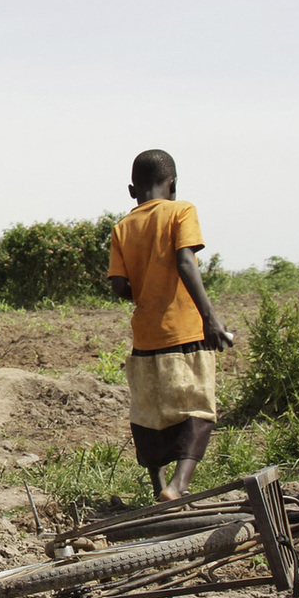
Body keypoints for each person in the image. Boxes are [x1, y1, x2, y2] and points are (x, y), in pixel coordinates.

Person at [107, 149, 233, 501]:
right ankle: (179, 486)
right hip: (184, 330)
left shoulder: (122, 227)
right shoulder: (181, 211)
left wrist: (143, 286)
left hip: (145, 336)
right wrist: (210, 316)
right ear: (173, 184)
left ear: (132, 191)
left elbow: (119, 286)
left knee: (150, 412)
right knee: (195, 406)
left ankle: (159, 488)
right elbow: (185, 262)